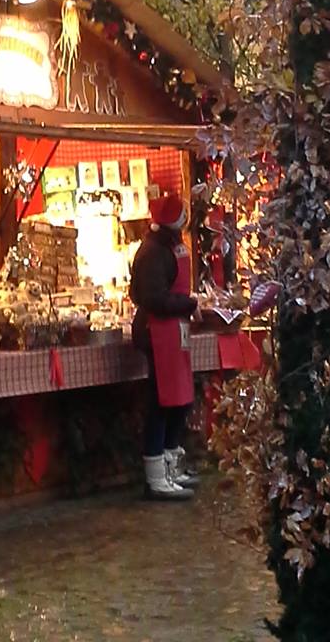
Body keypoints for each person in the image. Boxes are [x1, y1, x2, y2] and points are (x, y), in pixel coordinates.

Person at [130, 193, 199, 501]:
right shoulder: (153, 253)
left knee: (179, 400)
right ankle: (157, 478)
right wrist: (188, 303)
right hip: (158, 332)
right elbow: (151, 298)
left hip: (174, 330)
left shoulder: (167, 245)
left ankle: (171, 467)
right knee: (162, 403)